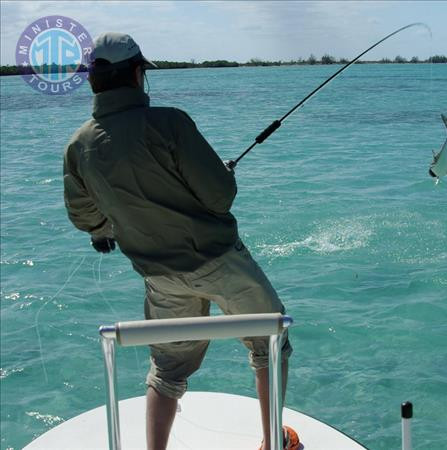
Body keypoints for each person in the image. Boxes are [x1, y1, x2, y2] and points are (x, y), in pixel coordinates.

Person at [62, 32, 299, 450]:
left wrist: (103, 232)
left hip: (160, 276)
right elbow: (219, 196)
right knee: (271, 342)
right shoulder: (171, 123)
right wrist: (222, 173)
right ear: (138, 74)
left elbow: (86, 216)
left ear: (94, 82)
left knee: (168, 369)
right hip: (219, 260)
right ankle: (271, 443)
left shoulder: (79, 146)